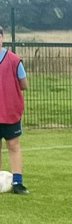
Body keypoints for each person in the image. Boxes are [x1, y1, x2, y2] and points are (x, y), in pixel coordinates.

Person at [0, 25, 30, 194]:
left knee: (13, 145)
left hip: (10, 111)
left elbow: (24, 84)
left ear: (2, 37)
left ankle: (17, 182)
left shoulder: (13, 60)